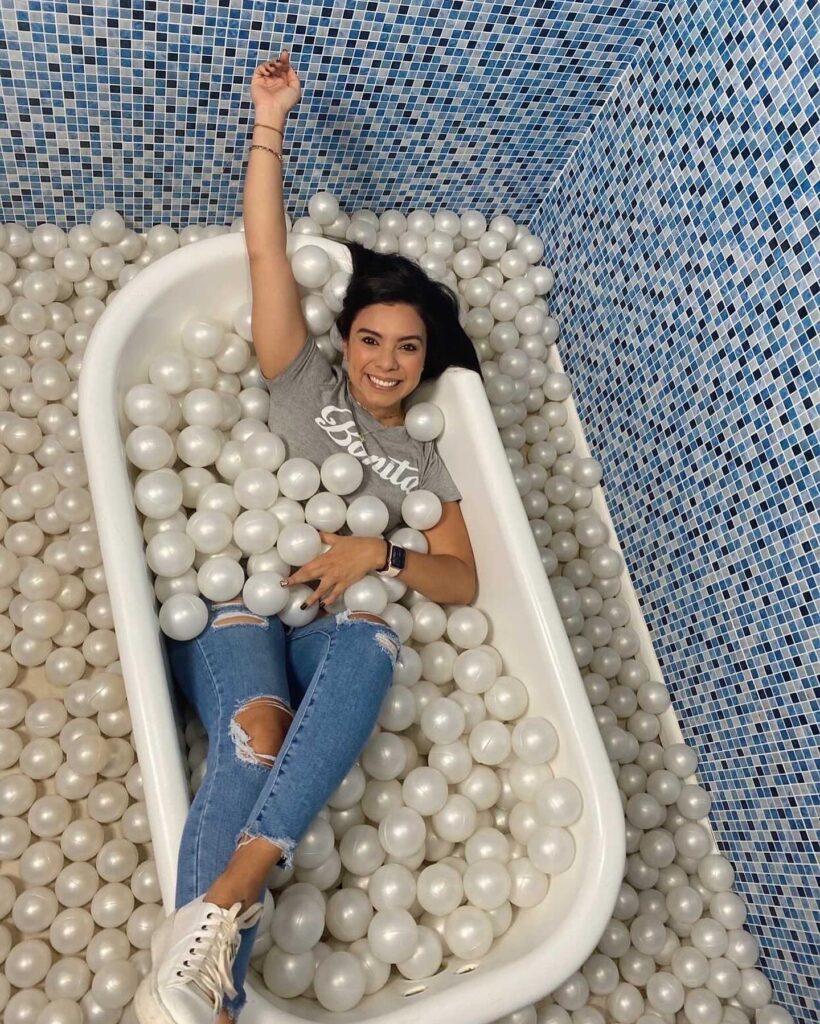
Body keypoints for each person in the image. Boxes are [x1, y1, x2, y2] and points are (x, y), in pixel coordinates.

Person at [135, 50, 480, 1024]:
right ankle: (217, 965)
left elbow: (458, 582)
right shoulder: (301, 382)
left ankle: (214, 916)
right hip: (237, 589)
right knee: (259, 737)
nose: (385, 360)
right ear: (347, 342)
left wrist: (380, 552)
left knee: (376, 641)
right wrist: (270, 125)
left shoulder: (419, 462)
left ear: (425, 359)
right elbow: (262, 253)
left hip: (328, 615)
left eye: (407, 346)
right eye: (371, 339)